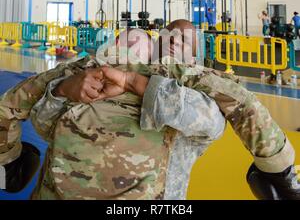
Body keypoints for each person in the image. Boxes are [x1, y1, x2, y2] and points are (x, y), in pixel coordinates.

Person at [1, 20, 299, 200]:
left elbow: (214, 120)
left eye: (184, 41)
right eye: (168, 36)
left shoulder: (196, 93)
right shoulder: (88, 76)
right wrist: (64, 90)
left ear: (193, 60)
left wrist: (136, 83)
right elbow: (43, 124)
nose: (173, 42)